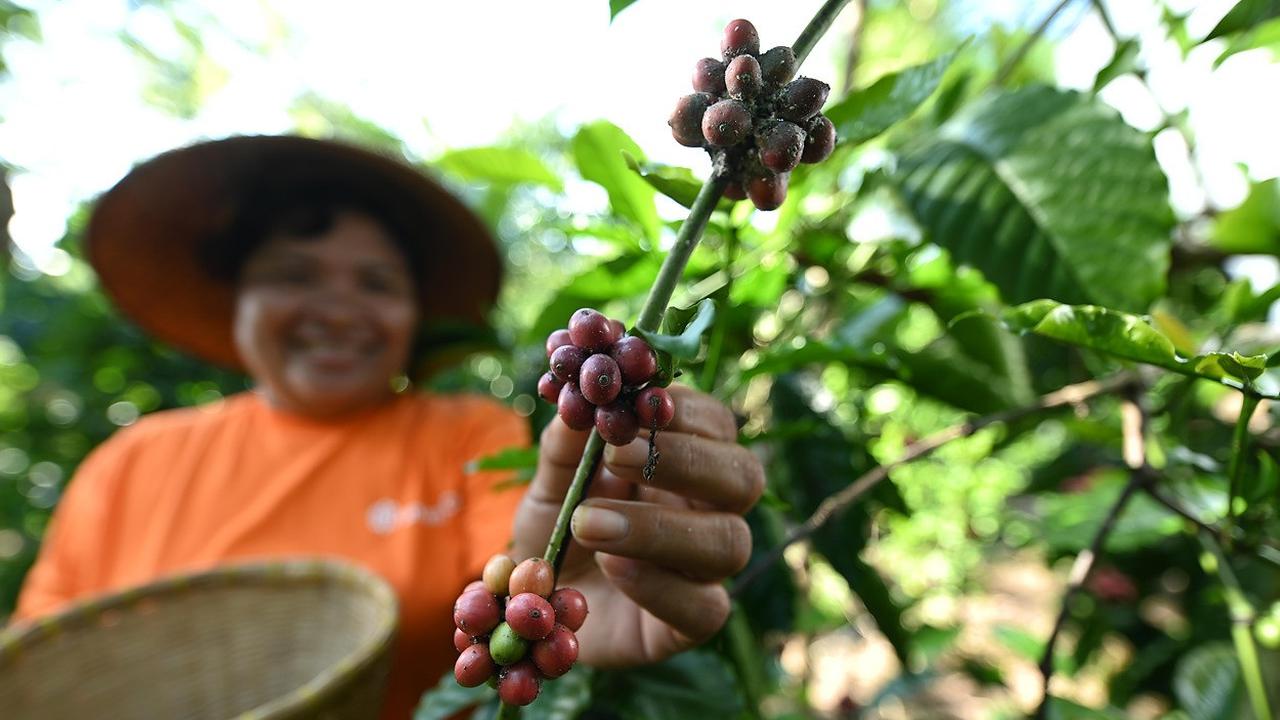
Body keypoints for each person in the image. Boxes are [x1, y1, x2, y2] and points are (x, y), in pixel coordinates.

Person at [9, 136, 764, 719]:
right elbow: (45, 671)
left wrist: (587, 566)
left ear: (415, 319)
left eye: (376, 284)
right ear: (237, 298)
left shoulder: (463, 436)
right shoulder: (131, 464)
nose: (339, 311)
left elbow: (522, 570)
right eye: (295, 276)